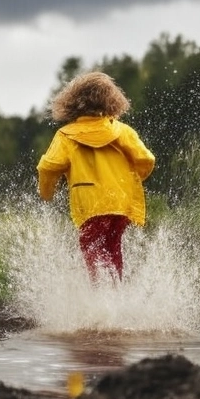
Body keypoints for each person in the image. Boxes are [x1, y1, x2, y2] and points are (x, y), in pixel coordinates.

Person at [37, 71, 155, 284]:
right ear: (112, 100)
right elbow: (146, 159)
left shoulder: (66, 135)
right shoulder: (123, 131)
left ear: (72, 102)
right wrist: (131, 181)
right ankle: (115, 296)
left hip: (91, 203)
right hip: (121, 202)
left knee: (92, 249)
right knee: (113, 249)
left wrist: (46, 193)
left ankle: (101, 300)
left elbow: (48, 167)